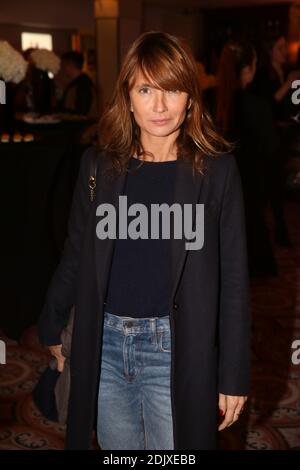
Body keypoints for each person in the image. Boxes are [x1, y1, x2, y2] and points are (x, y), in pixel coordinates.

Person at [38, 31, 251, 450]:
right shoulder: (99, 167)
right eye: (146, 88)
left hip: (175, 349)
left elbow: (234, 282)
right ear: (128, 97)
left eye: (172, 89)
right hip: (106, 346)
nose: (159, 105)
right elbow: (77, 253)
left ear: (190, 98)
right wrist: (51, 324)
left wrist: (232, 375)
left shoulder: (217, 173)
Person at [215, 39, 278, 277]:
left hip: (217, 186)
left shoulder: (211, 101)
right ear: (249, 69)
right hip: (248, 185)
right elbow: (271, 147)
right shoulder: (255, 105)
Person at [55, 51, 97, 118]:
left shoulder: (83, 84)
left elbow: (81, 112)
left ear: (69, 65)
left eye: (63, 65)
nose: (61, 68)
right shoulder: (75, 83)